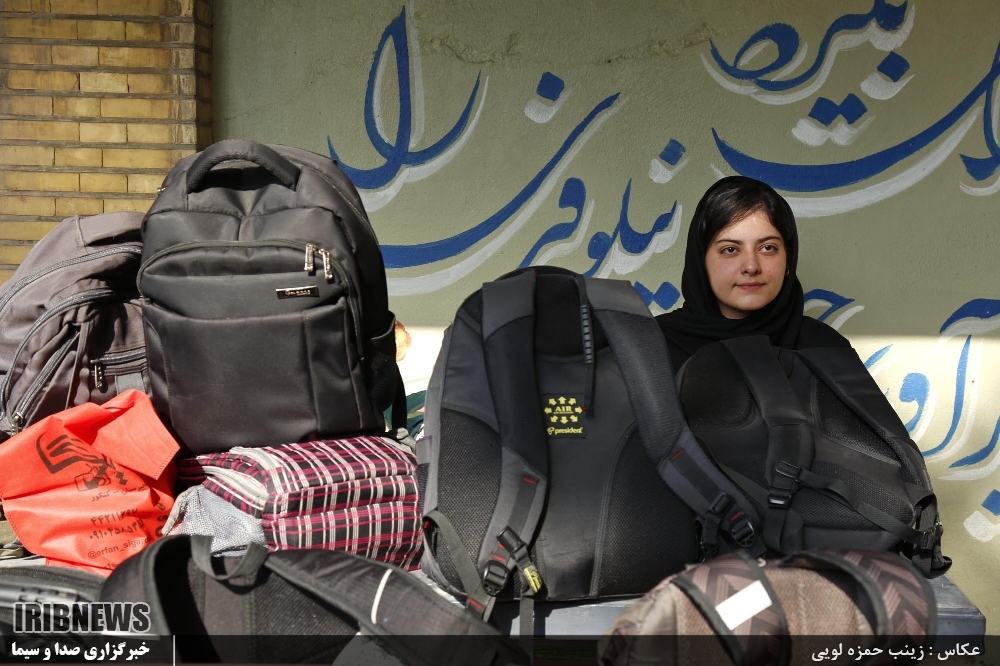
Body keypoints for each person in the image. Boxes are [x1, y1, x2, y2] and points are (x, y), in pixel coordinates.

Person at [656, 175, 851, 368]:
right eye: (730, 249)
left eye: (767, 248)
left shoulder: (827, 349)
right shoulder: (653, 346)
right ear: (701, 261)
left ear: (788, 259)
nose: (751, 267)